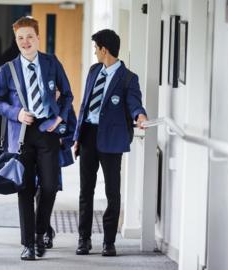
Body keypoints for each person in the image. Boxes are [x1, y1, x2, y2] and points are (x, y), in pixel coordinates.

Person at [0, 16, 73, 261]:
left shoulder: (51, 62)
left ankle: (39, 233)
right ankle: (29, 243)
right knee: (25, 189)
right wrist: (16, 113)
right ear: (15, 40)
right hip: (21, 135)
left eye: (29, 36)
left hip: (47, 131)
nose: (25, 42)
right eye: (20, 38)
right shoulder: (7, 69)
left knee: (49, 187)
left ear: (38, 37)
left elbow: (67, 95)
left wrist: (59, 120)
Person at [73, 29, 148, 257]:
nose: (94, 52)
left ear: (104, 49)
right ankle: (84, 239)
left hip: (112, 140)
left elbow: (134, 102)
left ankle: (108, 241)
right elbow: (85, 104)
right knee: (85, 190)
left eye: (96, 48)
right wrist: (77, 136)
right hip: (88, 136)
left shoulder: (128, 78)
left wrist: (140, 116)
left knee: (112, 192)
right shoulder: (94, 70)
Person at [35, 106, 77, 249]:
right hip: (35, 152)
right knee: (36, 192)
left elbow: (73, 131)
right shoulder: (37, 100)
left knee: (47, 192)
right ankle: (45, 230)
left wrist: (60, 141)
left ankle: (43, 231)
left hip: (54, 155)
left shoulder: (66, 107)